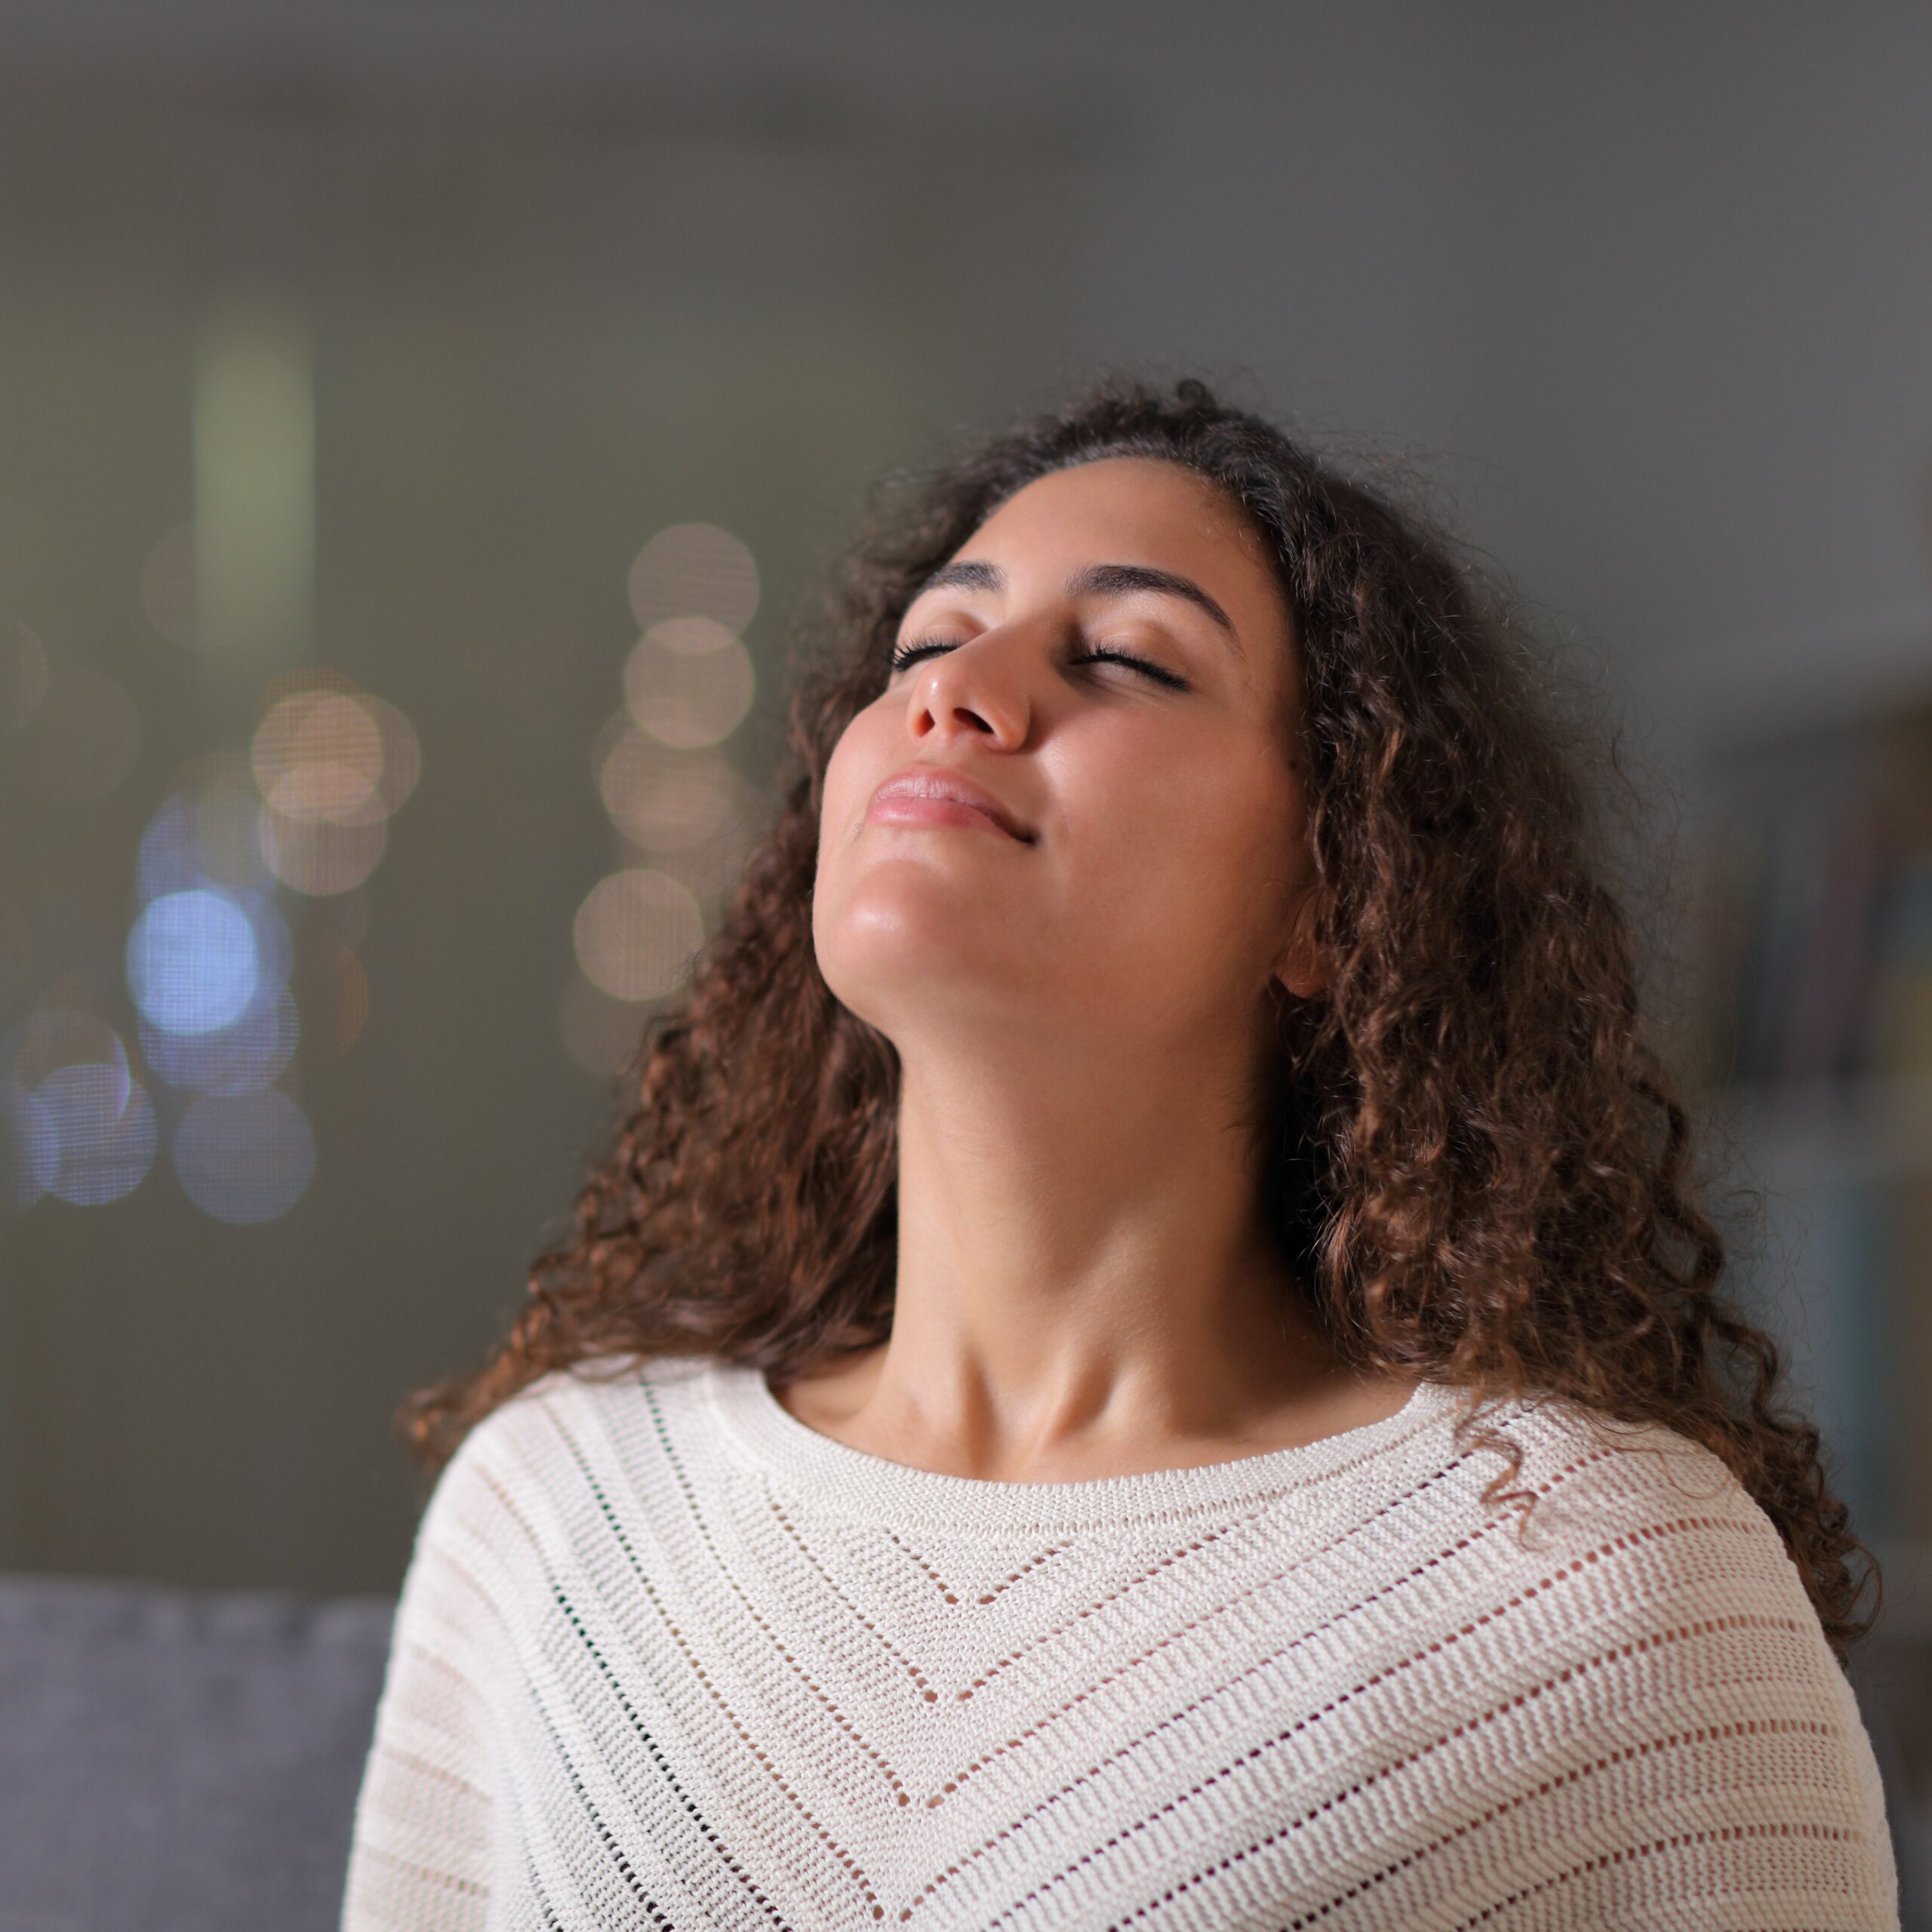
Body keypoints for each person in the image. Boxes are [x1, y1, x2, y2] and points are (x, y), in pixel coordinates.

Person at [339, 375, 1901, 1930]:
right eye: (927, 644)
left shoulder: (1598, 1571)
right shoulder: (557, 1502)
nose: (962, 693)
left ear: (1330, 895)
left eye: (1126, 658)